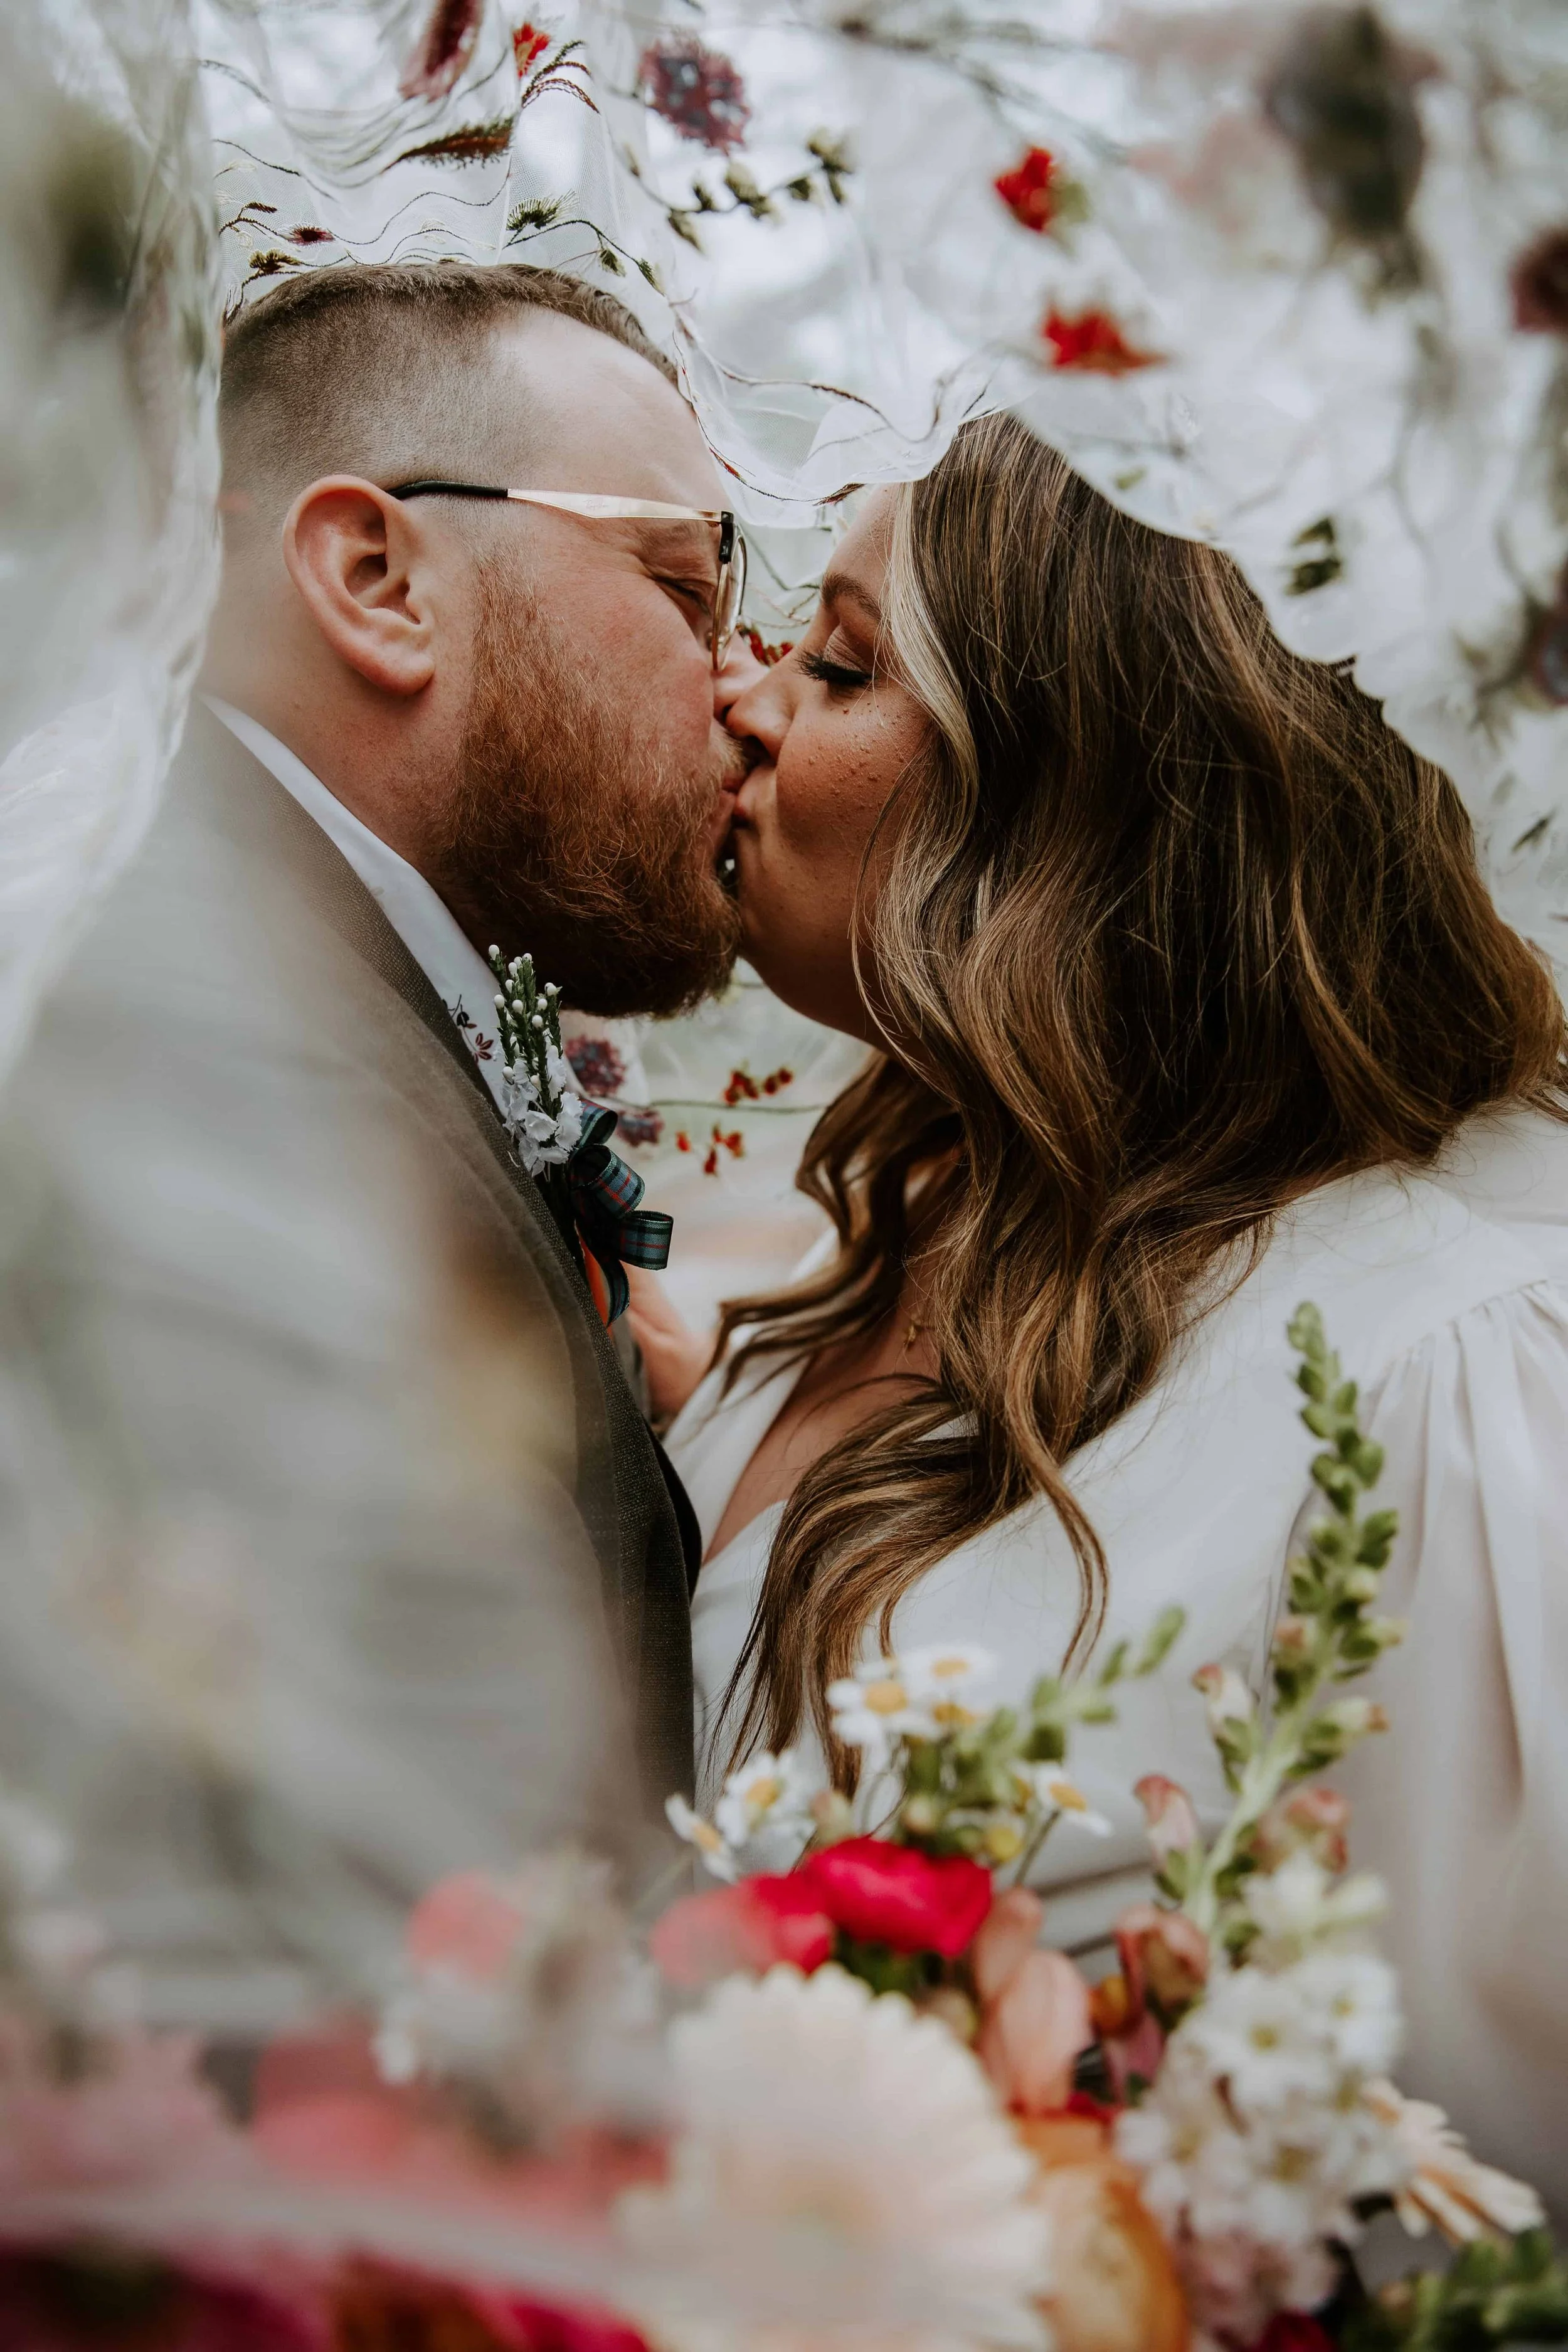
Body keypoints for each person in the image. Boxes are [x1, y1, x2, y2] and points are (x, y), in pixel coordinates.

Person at [650, 412, 1568, 2206]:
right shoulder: (912, 1241)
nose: (744, 699)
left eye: (839, 661)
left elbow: (1486, 2190)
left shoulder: (1434, 1381)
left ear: (1076, 809)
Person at [7, 260, 754, 1852]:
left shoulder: (318, 992)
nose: (743, 687)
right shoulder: (240, 1099)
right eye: (690, 585)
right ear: (375, 577)